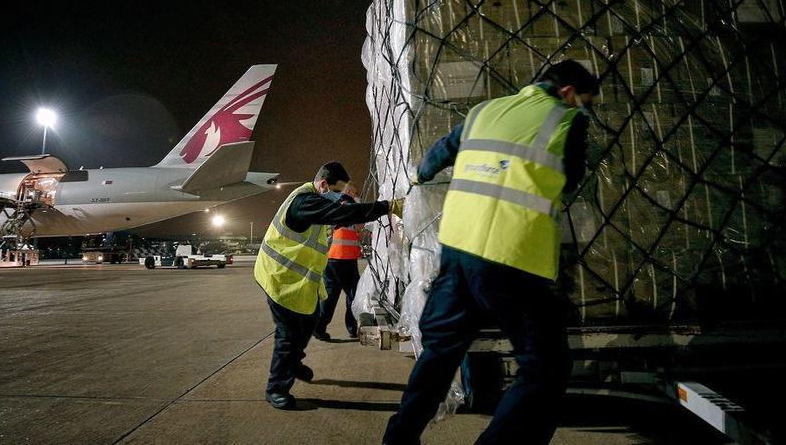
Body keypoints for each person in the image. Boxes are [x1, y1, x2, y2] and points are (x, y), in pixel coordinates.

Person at [383, 60, 599, 444]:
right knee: (545, 366)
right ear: (568, 93)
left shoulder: (485, 111)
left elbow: (437, 156)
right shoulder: (568, 120)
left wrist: (419, 176)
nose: (587, 110)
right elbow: (570, 181)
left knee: (440, 353)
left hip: (458, 251)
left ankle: (398, 439)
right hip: (513, 257)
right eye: (586, 101)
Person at [255, 161, 403, 410]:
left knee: (311, 321)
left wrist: (351, 204)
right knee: (288, 336)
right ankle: (276, 388)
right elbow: (342, 214)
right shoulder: (305, 202)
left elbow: (341, 214)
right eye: (338, 191)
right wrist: (387, 207)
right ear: (324, 185)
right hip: (280, 278)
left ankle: (292, 363)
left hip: (299, 281)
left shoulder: (316, 201)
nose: (340, 196)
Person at [314, 183, 364, 341]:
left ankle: (319, 329)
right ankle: (352, 328)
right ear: (348, 192)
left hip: (331, 259)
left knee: (329, 297)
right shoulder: (348, 206)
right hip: (345, 259)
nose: (357, 196)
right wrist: (356, 200)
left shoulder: (332, 206)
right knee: (353, 296)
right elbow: (361, 222)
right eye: (355, 193)